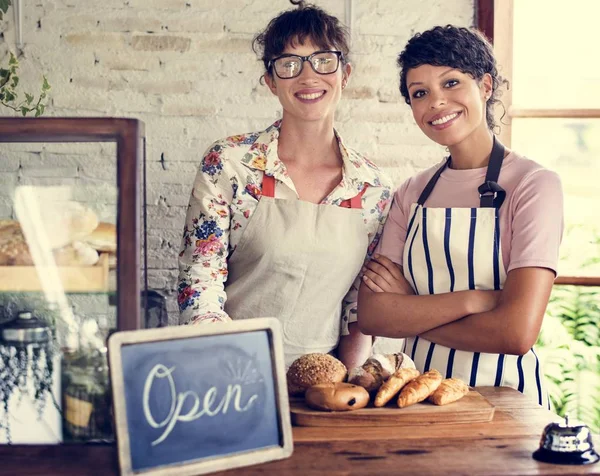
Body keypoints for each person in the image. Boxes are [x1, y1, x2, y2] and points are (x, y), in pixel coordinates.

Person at [177, 0, 393, 369]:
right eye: (289, 64)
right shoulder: (231, 165)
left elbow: (357, 308)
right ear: (271, 82)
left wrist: (351, 382)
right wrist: (231, 370)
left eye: (323, 60)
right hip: (226, 370)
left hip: (323, 384)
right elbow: (200, 281)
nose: (308, 77)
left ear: (345, 74)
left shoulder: (373, 188)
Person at [357, 25, 563, 407]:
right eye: (420, 93)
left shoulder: (534, 185)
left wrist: (412, 308)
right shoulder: (412, 192)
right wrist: (474, 300)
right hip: (418, 398)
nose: (436, 102)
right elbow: (374, 315)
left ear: (485, 86)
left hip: (506, 402)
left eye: (451, 83)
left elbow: (515, 334)